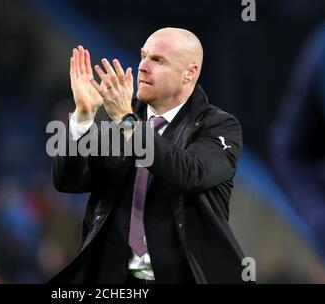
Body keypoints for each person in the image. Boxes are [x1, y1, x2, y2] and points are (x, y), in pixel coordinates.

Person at [50, 27, 247, 283]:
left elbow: (189, 173)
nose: (142, 66)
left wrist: (126, 120)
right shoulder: (120, 124)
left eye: (157, 60)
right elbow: (68, 181)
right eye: (143, 55)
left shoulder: (219, 126)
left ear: (189, 73)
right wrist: (83, 117)